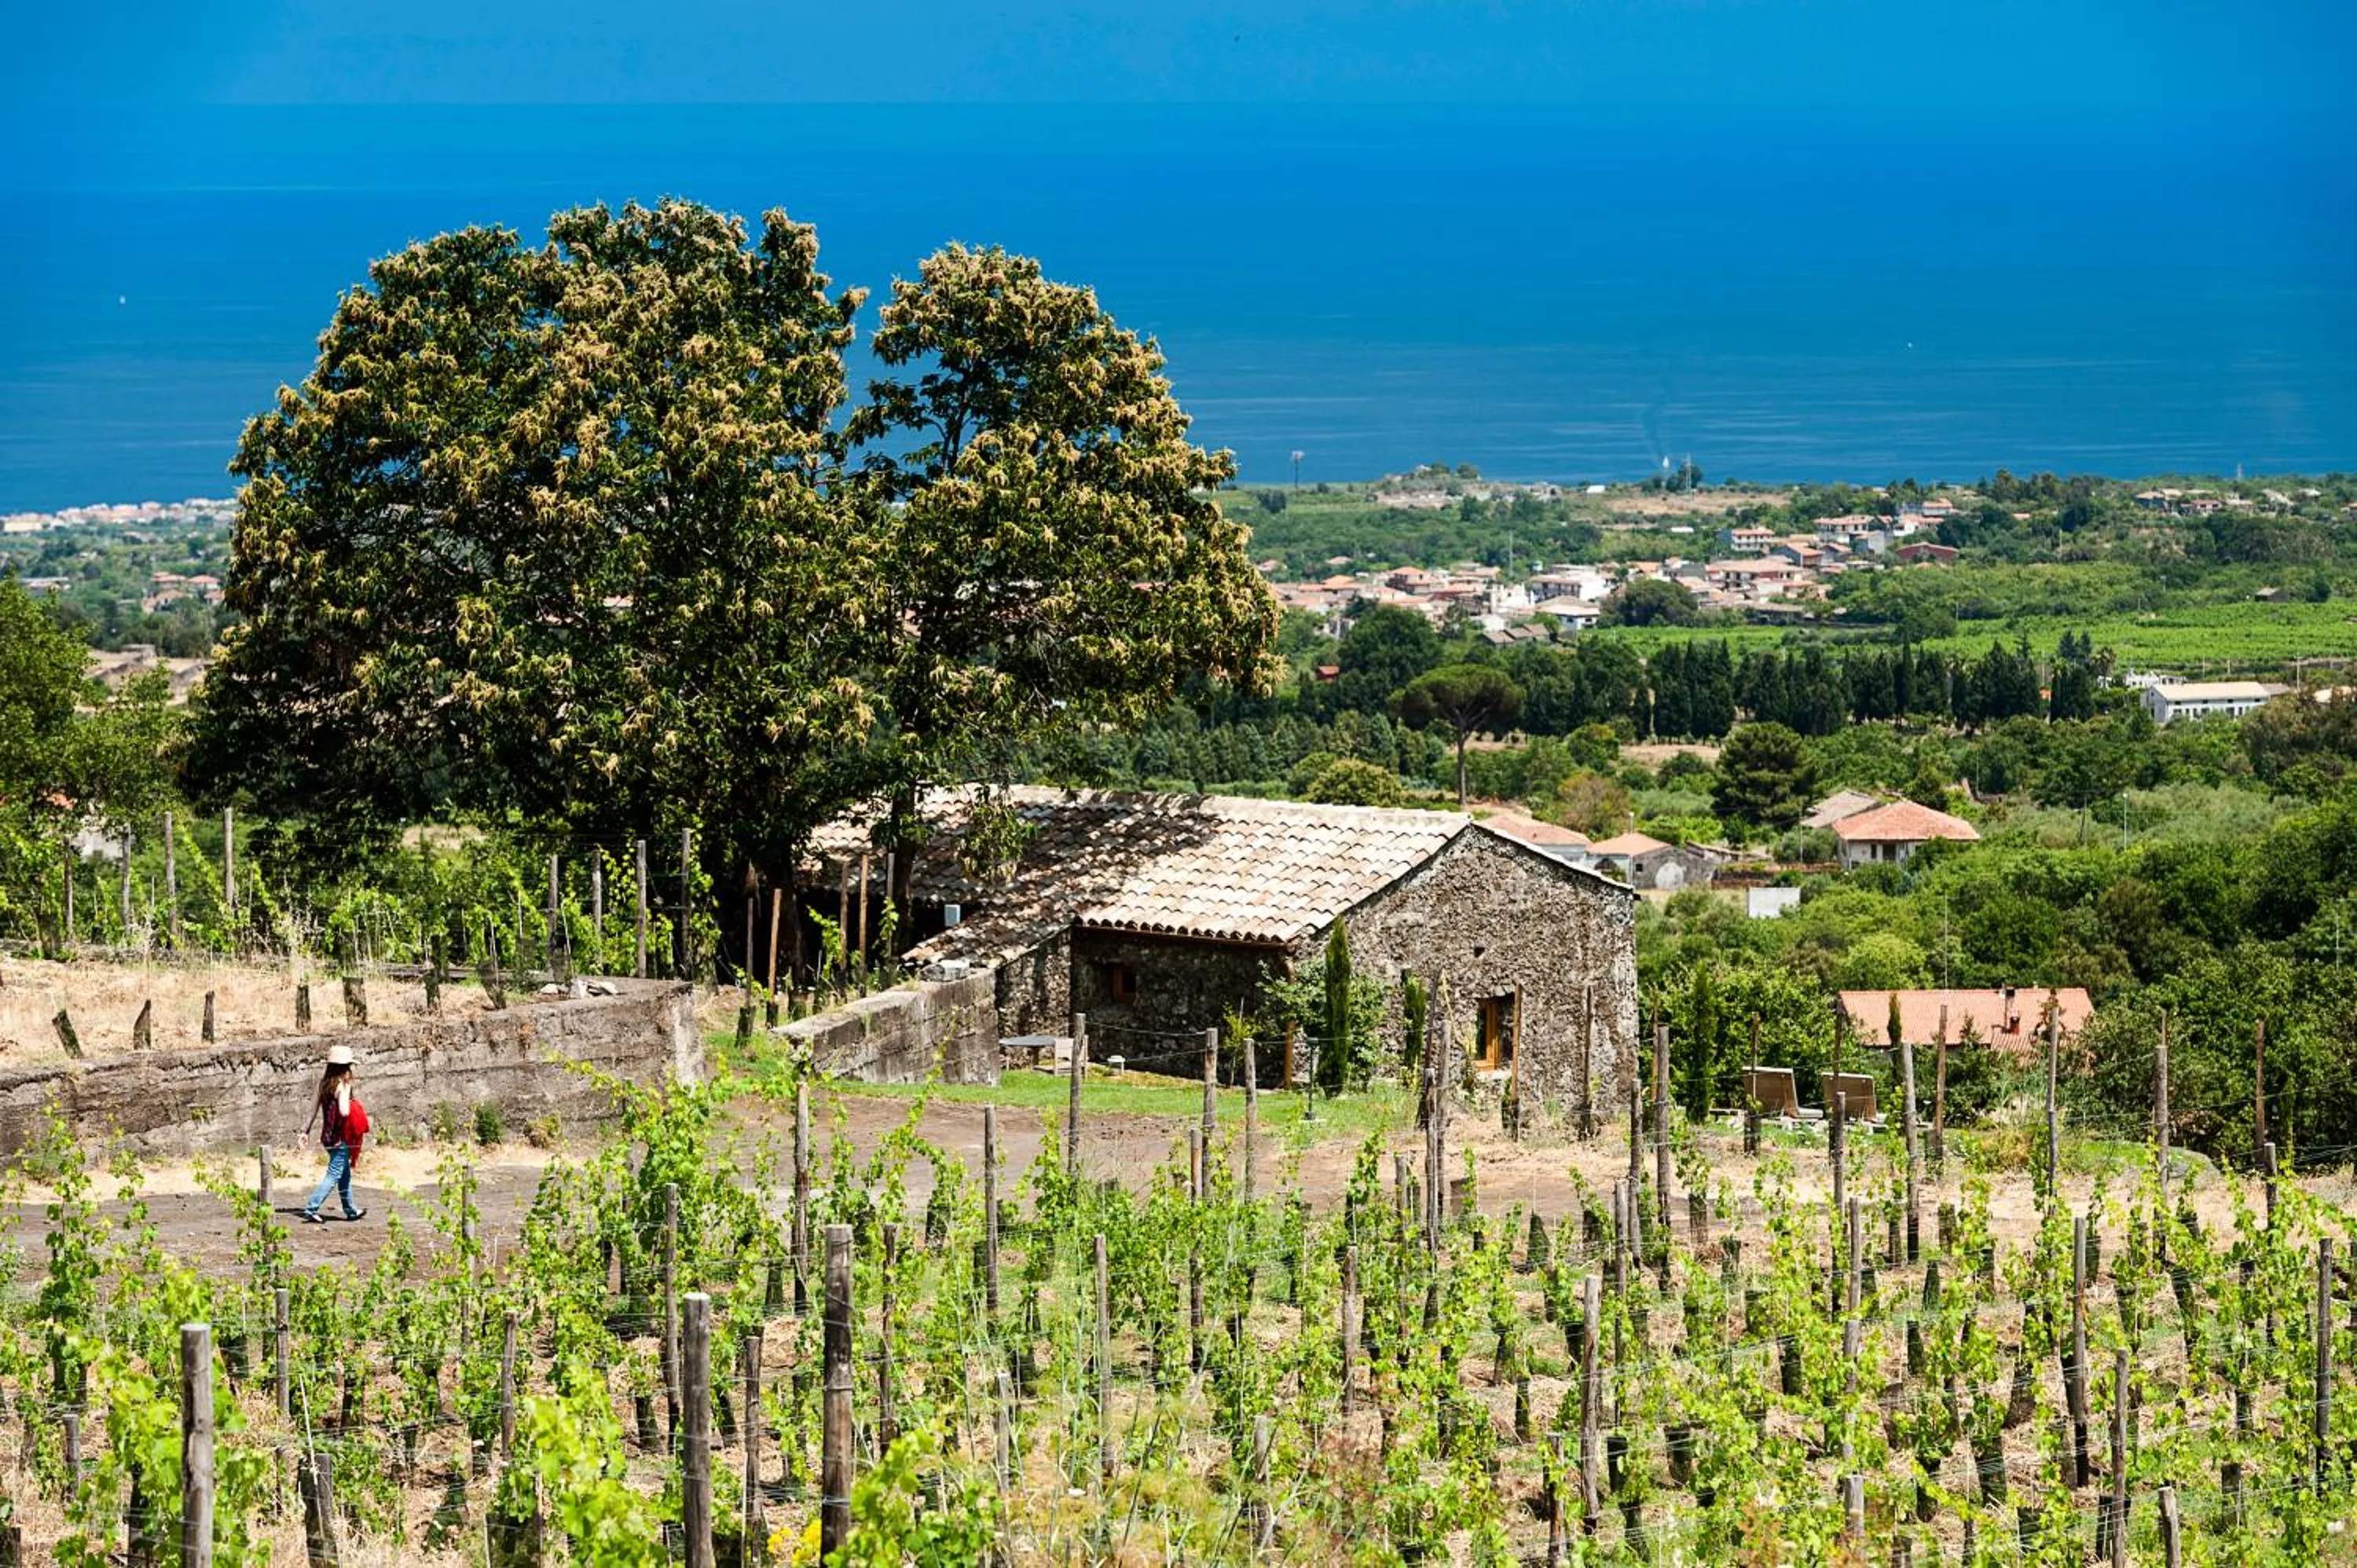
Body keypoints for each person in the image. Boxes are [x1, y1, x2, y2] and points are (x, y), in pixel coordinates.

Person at [299, 1044, 368, 1224]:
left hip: (327, 1138)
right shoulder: (342, 1085)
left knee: (344, 1174)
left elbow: (312, 1110)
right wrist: (351, 1100)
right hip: (340, 1138)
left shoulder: (322, 1085)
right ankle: (312, 1207)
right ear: (346, 1067)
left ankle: (351, 1210)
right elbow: (345, 1111)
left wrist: (304, 1131)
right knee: (334, 1174)